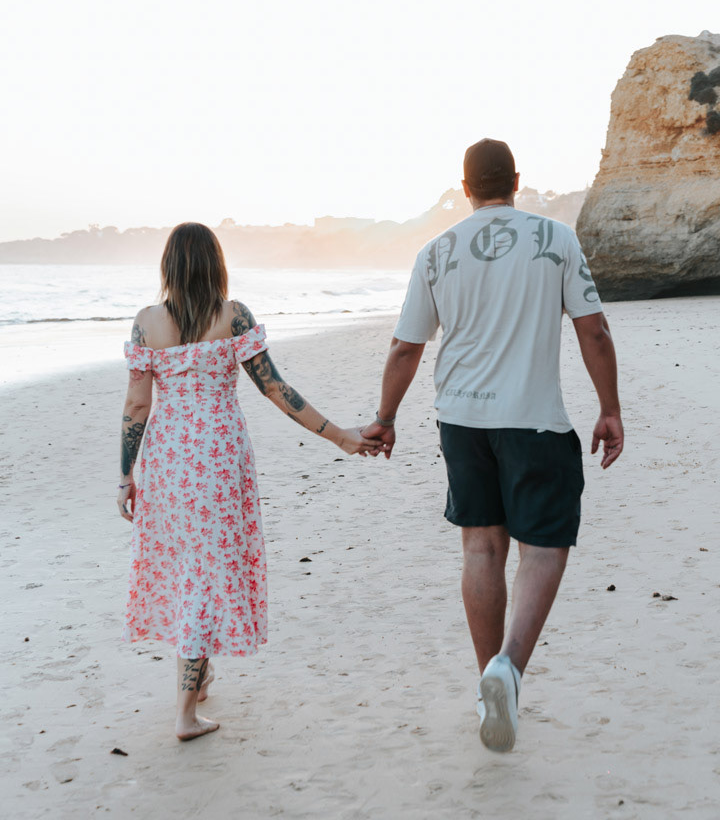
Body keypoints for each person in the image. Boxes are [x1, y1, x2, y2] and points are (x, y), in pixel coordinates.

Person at [362, 138, 623, 753]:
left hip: (460, 420)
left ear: (465, 187)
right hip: (533, 419)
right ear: (517, 180)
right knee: (545, 548)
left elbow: (406, 347)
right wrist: (610, 408)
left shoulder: (435, 251)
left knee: (481, 546)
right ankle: (508, 667)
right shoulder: (554, 238)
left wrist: (386, 416)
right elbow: (594, 331)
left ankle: (489, 680)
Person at [118, 222, 383, 741]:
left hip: (169, 463)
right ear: (215, 264)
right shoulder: (233, 317)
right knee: (205, 572)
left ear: (168, 266)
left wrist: (124, 476)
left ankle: (199, 675)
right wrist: (339, 436)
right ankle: (186, 715)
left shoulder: (146, 323)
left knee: (188, 568)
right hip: (219, 462)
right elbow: (276, 390)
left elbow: (136, 406)